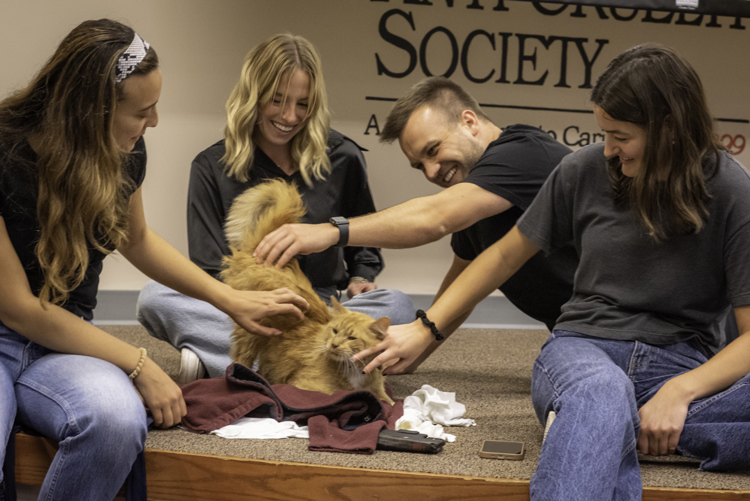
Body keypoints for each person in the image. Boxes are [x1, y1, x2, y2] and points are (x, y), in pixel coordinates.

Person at [355, 43, 750, 499]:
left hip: (680, 365)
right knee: (601, 391)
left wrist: (679, 392)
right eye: (604, 133)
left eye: (620, 135)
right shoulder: (581, 171)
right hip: (584, 352)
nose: (608, 150)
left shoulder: (731, 189)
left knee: (602, 412)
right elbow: (503, 257)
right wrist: (427, 328)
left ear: (668, 128)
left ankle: (612, 427)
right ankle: (622, 423)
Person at [0, 19, 312, 499]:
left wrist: (230, 301)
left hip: (63, 343)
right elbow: (17, 308)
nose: (155, 122)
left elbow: (138, 239)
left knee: (117, 421)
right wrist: (139, 364)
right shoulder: (3, 148)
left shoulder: (123, 152)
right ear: (89, 110)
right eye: (142, 111)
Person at [136, 33, 414, 381]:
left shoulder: (343, 156)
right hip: (243, 308)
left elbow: (363, 240)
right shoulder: (210, 166)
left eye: (303, 103)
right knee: (153, 298)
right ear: (253, 96)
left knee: (399, 305)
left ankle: (227, 363)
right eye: (277, 100)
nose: (289, 115)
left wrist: (361, 277)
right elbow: (209, 266)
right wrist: (253, 303)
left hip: (323, 311)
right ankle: (317, 369)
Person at [254, 76, 578, 372]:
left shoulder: (524, 152)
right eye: (419, 165)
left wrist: (329, 232)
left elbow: (434, 218)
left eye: (433, 150)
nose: (432, 171)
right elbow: (462, 280)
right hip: (575, 330)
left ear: (469, 121)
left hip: (617, 326)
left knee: (555, 377)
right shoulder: (475, 194)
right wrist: (416, 351)